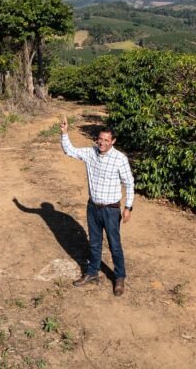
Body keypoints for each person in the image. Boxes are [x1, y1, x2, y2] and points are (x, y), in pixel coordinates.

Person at [59, 115, 135, 296]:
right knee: (94, 243)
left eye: (106, 140)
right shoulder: (90, 153)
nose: (102, 143)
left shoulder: (120, 159)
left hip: (111, 210)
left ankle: (119, 277)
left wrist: (128, 207)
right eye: (100, 139)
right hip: (93, 207)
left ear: (113, 141)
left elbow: (129, 183)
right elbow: (70, 151)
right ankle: (92, 272)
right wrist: (64, 133)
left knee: (114, 244)